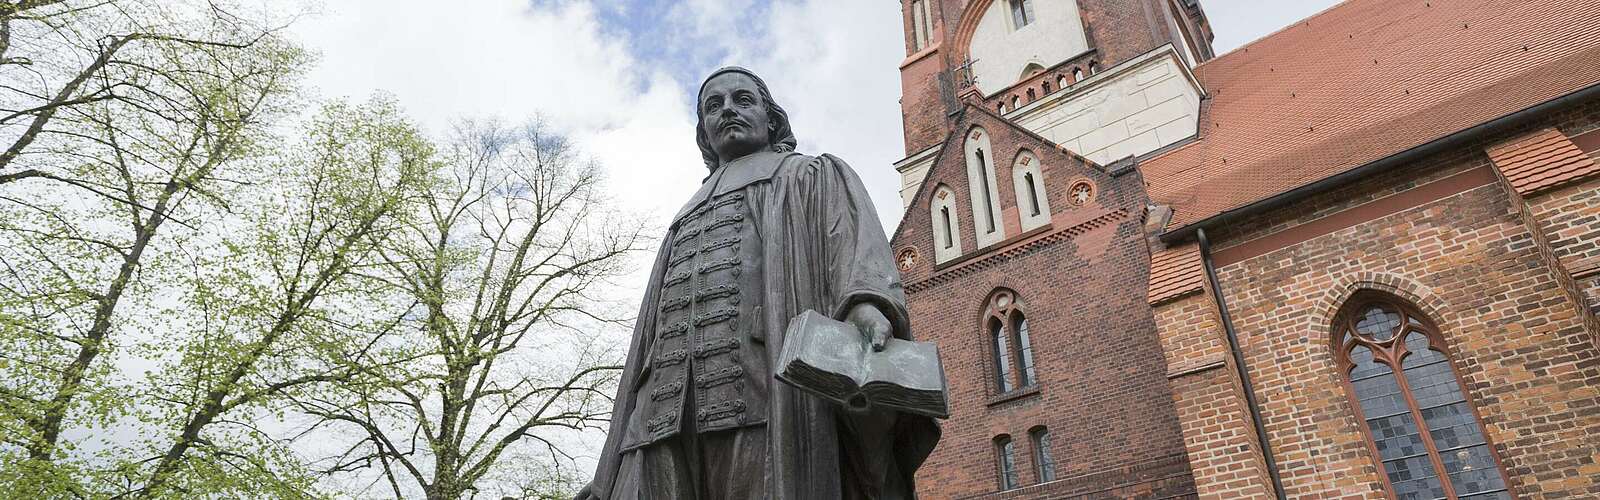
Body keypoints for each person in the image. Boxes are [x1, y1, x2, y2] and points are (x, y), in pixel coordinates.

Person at [575, 67, 939, 500]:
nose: (727, 109)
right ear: (705, 134)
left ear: (771, 118)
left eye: (742, 99)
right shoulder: (683, 217)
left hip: (764, 396)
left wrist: (866, 302)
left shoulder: (811, 175)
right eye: (714, 106)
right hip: (661, 414)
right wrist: (608, 471)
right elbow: (644, 340)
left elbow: (853, 242)